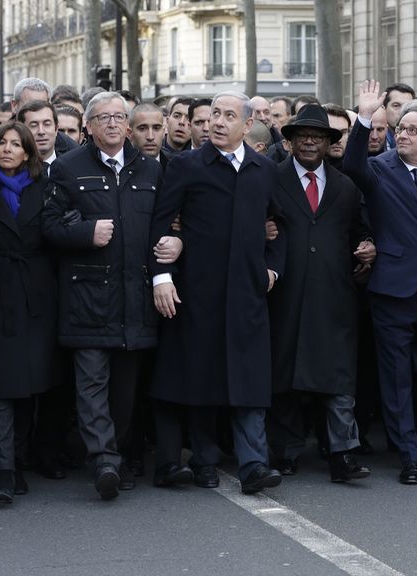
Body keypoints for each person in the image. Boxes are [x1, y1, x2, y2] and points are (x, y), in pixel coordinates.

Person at [148, 91, 287, 494]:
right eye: (214, 116)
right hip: (198, 291)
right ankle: (205, 459)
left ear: (247, 125)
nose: (218, 123)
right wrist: (163, 277)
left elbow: (281, 225)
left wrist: (273, 270)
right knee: (203, 377)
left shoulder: (264, 169)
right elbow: (160, 224)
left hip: (247, 294)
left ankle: (254, 465)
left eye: (229, 116)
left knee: (250, 381)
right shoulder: (188, 166)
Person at [41, 91, 163, 500]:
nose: (112, 124)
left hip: (135, 300)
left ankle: (121, 454)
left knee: (124, 391)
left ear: (127, 126)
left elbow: (170, 224)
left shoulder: (150, 170)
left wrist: (174, 244)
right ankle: (104, 460)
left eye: (118, 117)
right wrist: (84, 233)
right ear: (88, 127)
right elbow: (49, 226)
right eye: (102, 118)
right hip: (87, 299)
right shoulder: (67, 167)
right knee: (91, 385)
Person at [343, 80, 417, 485]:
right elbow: (352, 165)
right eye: (398, 128)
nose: (402, 135)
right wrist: (364, 116)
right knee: (395, 376)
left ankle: (411, 427)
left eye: (411, 130)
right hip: (392, 292)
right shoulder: (379, 169)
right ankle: (409, 454)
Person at [265, 105, 375, 482]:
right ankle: (285, 451)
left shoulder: (346, 186)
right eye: (302, 135)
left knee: (339, 380)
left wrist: (367, 246)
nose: (310, 140)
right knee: (285, 376)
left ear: (330, 143)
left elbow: (359, 230)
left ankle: (342, 453)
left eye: (319, 136)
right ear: (290, 140)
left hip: (334, 296)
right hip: (285, 294)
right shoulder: (272, 178)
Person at [0, 122, 58, 502]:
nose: (7, 149)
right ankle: (4, 470)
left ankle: (18, 460)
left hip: (35, 296)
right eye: (1, 143)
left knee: (28, 387)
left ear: (28, 153)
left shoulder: (45, 188)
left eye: (16, 145)